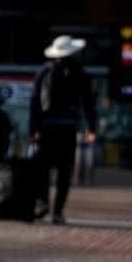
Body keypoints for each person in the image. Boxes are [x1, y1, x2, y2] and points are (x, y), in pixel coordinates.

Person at [31, 34, 98, 225]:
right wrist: (91, 127)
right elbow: (88, 103)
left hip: (46, 127)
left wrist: (33, 130)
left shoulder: (44, 71)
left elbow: (35, 102)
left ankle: (42, 202)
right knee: (63, 170)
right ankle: (57, 212)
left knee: (42, 168)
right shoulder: (80, 73)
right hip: (67, 128)